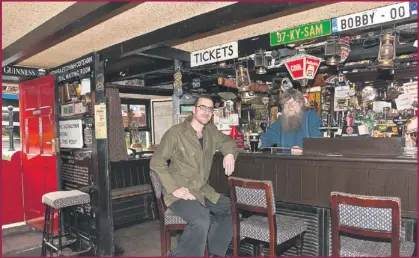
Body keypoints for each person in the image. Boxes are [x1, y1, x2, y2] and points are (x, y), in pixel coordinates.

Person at [150, 96, 238, 257]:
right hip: (180, 194)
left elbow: (228, 142)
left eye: (210, 109)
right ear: (194, 109)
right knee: (201, 221)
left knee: (232, 208)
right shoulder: (176, 133)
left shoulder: (211, 132)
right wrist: (174, 188)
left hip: (202, 190)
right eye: (203, 107)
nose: (206, 112)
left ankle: (214, 253)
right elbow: (156, 162)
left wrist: (229, 154)